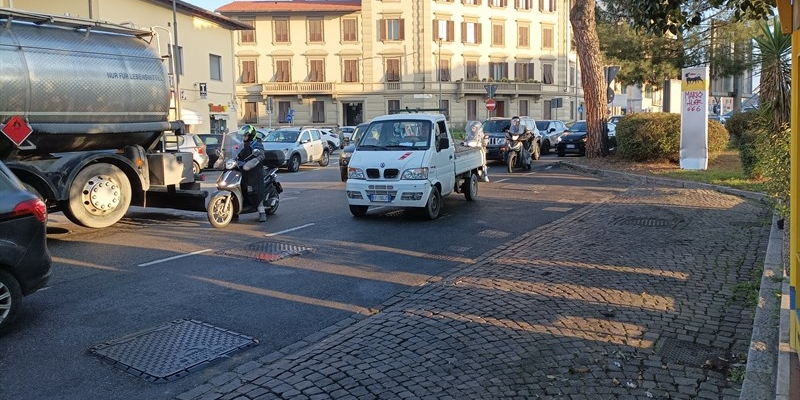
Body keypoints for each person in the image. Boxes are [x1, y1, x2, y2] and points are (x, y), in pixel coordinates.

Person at [238, 125, 268, 222]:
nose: (243, 138)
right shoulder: (242, 143)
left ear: (251, 135)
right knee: (240, 186)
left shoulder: (257, 144)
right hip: (243, 168)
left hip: (254, 169)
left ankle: (261, 211)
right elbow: (236, 152)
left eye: (245, 136)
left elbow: (261, 154)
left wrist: (256, 159)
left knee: (254, 190)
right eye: (242, 136)